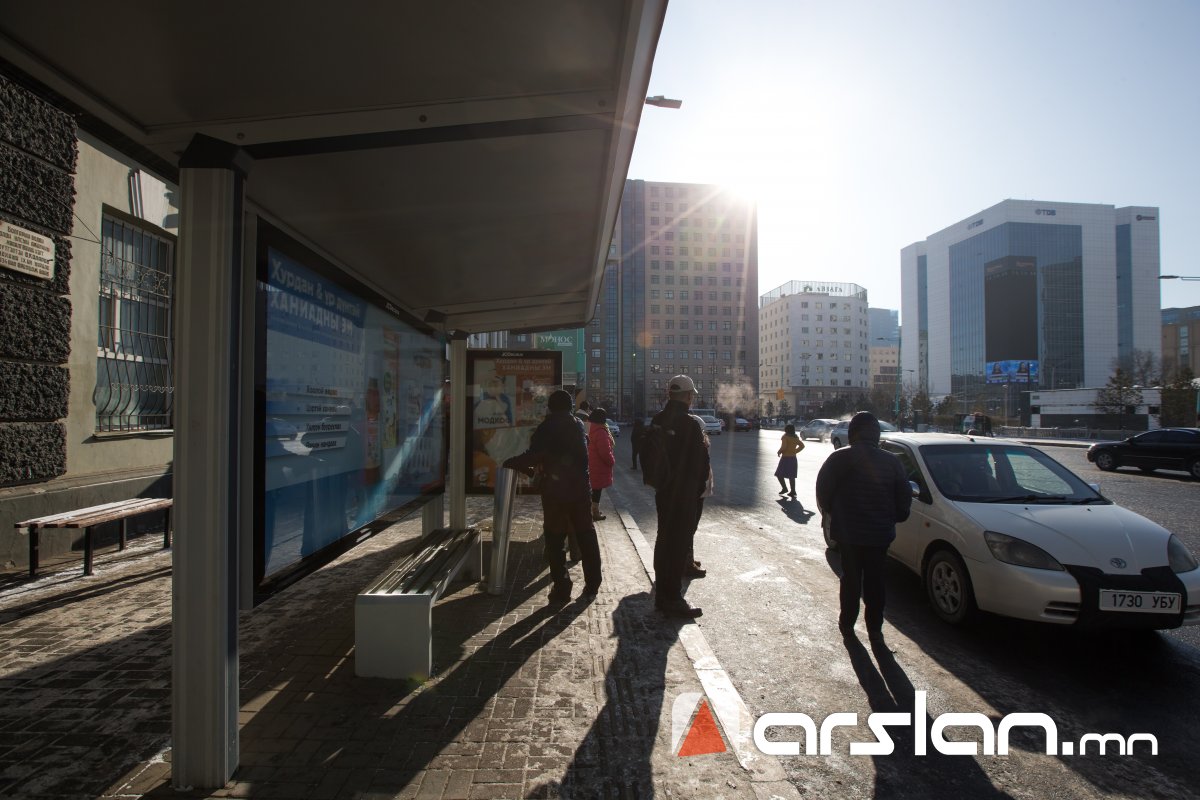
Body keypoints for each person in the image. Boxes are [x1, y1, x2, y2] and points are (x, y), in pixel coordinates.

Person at [815, 411, 912, 641]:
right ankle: (875, 629)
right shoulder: (892, 462)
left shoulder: (838, 458)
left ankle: (847, 624)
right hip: (879, 534)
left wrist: (834, 514)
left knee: (850, 579)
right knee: (875, 581)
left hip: (848, 534)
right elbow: (903, 499)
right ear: (876, 434)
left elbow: (823, 493)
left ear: (852, 432)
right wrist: (893, 518)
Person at [504, 390, 602, 604]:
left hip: (556, 492)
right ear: (570, 406)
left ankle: (562, 588)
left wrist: (512, 462)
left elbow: (534, 455)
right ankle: (593, 583)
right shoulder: (578, 424)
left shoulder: (547, 427)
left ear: (550, 407)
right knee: (586, 534)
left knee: (555, 539)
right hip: (581, 490)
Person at [650, 375, 710, 619]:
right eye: (691, 394)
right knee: (678, 545)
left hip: (663, 491)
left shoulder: (657, 419)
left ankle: (662, 594)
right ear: (687, 396)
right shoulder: (690, 424)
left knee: (664, 539)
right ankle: (673, 598)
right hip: (684, 494)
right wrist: (698, 491)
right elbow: (700, 464)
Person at [587, 408, 614, 521]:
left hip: (589, 463)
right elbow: (605, 452)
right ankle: (595, 512)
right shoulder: (601, 431)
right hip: (598, 465)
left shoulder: (588, 428)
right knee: (597, 490)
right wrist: (611, 461)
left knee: (591, 489)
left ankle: (590, 510)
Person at [775, 424, 804, 497]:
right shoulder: (795, 437)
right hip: (793, 458)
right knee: (792, 476)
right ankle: (793, 491)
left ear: (786, 430)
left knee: (779, 474)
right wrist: (795, 451)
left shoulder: (785, 437)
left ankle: (784, 488)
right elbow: (802, 446)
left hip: (785, 458)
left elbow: (784, 447)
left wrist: (779, 451)